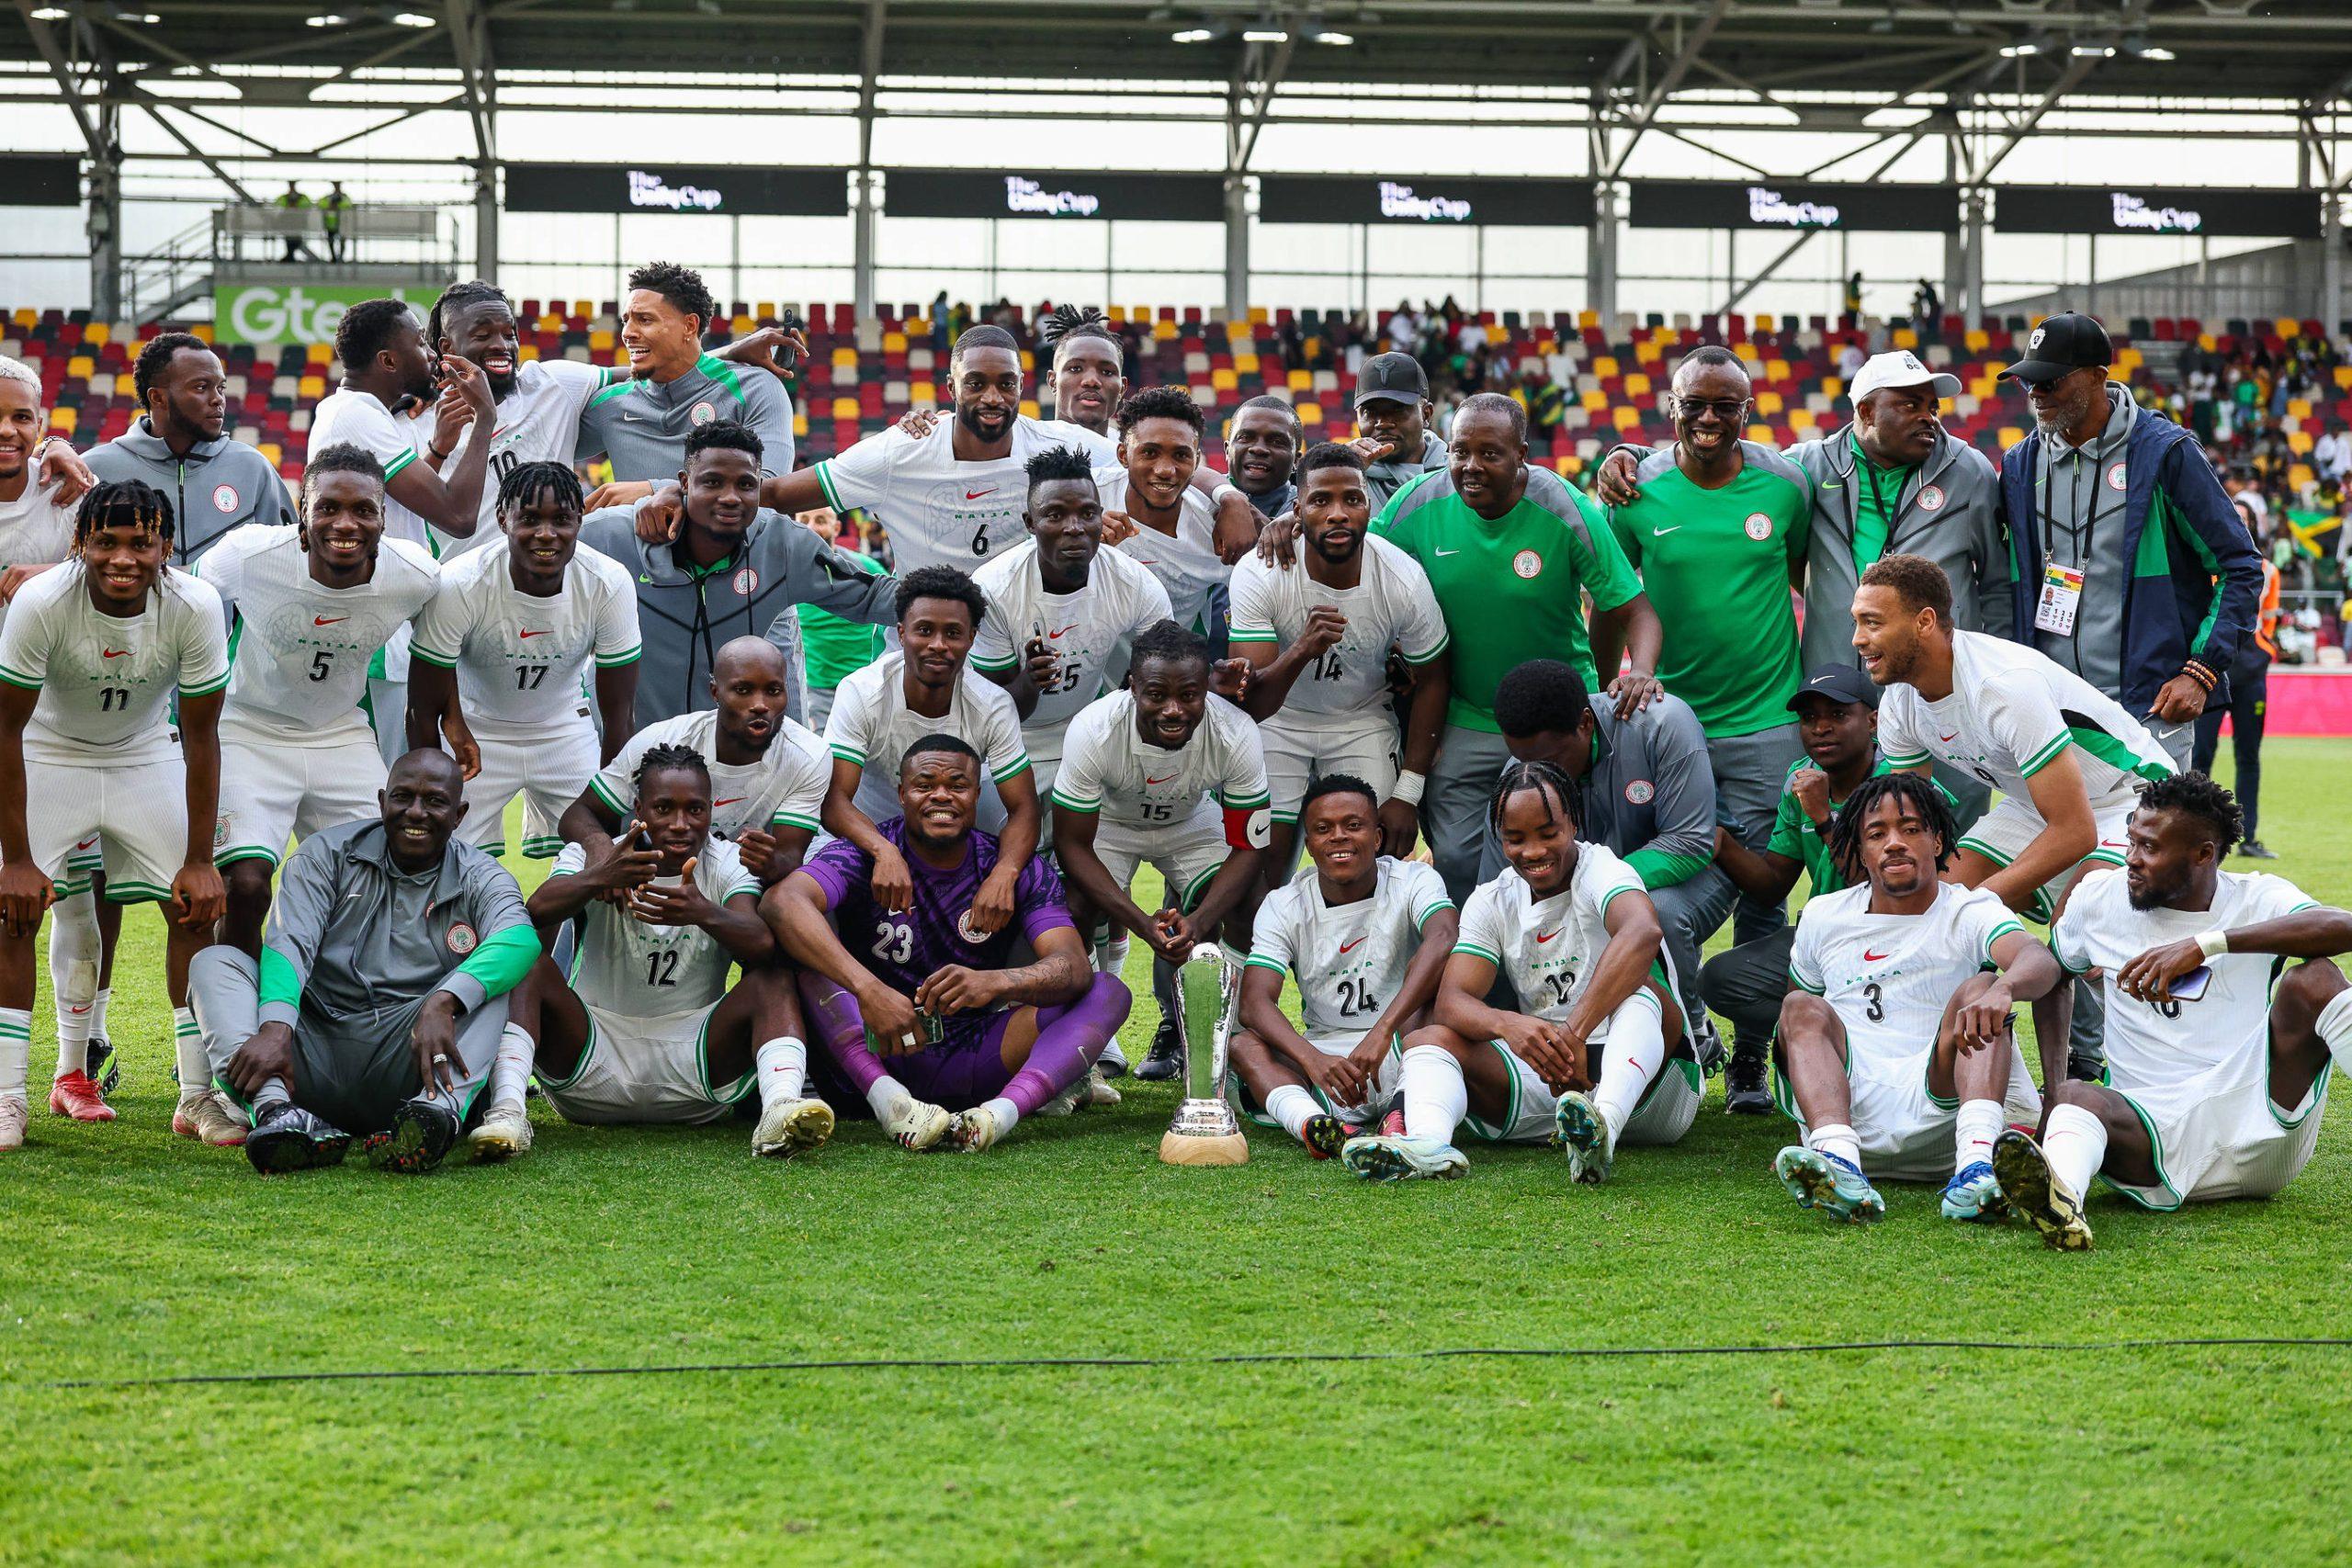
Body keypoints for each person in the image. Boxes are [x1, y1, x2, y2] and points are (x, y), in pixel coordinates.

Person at [1997, 773, 2352, 1250]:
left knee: (2316, 979)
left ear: (2204, 854)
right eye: (2132, 840)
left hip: (2259, 1123)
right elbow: (2057, 972)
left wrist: (2207, 945)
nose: (2130, 859)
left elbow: (2343, 927)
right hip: (2148, 1126)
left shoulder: (2255, 898)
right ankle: (2061, 1201)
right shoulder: (2099, 898)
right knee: (2078, 1097)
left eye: (2149, 847)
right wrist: (2054, 1092)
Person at [0, 480, 232, 1150]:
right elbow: (5, 729)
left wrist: (200, 858)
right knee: (9, 909)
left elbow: (203, 736)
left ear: (166, 547)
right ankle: (8, 1097)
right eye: (106, 541)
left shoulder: (195, 604)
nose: (124, 557)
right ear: (79, 544)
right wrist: (15, 860)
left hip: (141, 753)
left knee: (193, 907)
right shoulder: (42, 601)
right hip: (49, 749)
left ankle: (198, 1095)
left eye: (142, 542)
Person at [767, 734, 1131, 1153]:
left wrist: (997, 983)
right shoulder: (863, 855)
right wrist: (869, 990)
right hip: (875, 1046)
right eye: (924, 785)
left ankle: (997, 1116)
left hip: (978, 1052)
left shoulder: (1009, 869)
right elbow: (782, 902)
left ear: (977, 795)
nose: (941, 796)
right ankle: (891, 1104)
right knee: (805, 954)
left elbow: (1072, 965)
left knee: (1108, 991)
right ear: (902, 794)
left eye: (957, 785)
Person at [1339, 761, 1700, 1183]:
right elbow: (1453, 1000)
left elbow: (1644, 931)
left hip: (1653, 1089)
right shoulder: (1492, 900)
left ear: (1574, 823)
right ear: (1500, 838)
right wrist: (1510, 1025)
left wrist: (1574, 1033)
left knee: (1641, 993)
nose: (1533, 851)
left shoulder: (1603, 869)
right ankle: (1427, 1145)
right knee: (1429, 1037)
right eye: (1516, 839)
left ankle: (1605, 1127)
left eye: (1548, 834)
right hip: (1556, 1085)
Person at [1369, 391, 1660, 904]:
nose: (1471, 466)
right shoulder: (1417, 503)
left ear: (1522, 453)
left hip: (1555, 724)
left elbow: (1635, 610)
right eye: (1460, 452)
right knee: (1458, 863)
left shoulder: (1564, 507)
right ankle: (1478, 980)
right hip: (1464, 714)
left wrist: (1642, 670)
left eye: (1490, 453)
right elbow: (1358, 566)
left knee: (1557, 861)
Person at [193, 750, 538, 1174]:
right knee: (215, 962)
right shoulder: (324, 854)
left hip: (410, 1060)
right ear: (381, 801)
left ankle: (432, 1119)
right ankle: (278, 1116)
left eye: (434, 801)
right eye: (403, 797)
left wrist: (445, 999)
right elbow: (289, 946)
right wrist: (276, 1027)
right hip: (308, 1048)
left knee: (489, 984)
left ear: (459, 814)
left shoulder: (481, 874)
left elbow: (520, 938)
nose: (416, 812)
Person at [1770, 773, 2069, 1224]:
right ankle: (1839, 1163)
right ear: (1859, 849)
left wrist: (2004, 988)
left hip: (1944, 1115)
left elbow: (2039, 961)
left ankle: (1976, 1168)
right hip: (1848, 1111)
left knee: (1982, 987)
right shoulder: (1823, 916)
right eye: (1877, 834)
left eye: (1910, 829)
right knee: (1798, 1006)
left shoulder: (1969, 908)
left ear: (1937, 841)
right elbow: (1795, 1030)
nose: (1894, 843)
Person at [503, 743, 816, 1158]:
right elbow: (537, 911)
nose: (680, 824)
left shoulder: (725, 862)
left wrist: (703, 912)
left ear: (711, 810)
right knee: (528, 967)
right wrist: (599, 877)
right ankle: (505, 1111)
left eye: (696, 810)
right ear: (639, 810)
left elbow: (761, 946)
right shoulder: (596, 855)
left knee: (773, 978)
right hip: (590, 1061)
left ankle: (779, 1111)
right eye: (664, 808)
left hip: (696, 1068)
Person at [1605, 346, 1813, 971]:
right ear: (1671, 406)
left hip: (1769, 720)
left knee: (1765, 891)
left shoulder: (1785, 486)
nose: (1709, 418)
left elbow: (1802, 574)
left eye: (1727, 406)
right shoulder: (1636, 493)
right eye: (1693, 404)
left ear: (1747, 411)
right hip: (1668, 719)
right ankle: (1682, 1023)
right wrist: (1600, 680)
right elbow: (1614, 601)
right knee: (1661, 876)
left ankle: (1749, 1042)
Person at [198, 446, 443, 958]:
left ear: (383, 518)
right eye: (327, 508)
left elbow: (439, 650)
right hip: (250, 730)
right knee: (245, 886)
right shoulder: (246, 556)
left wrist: (451, 724)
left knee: (380, 878)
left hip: (339, 732)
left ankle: (332, 1011)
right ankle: (238, 1020)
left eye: (363, 510)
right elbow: (183, 602)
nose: (345, 523)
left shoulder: (416, 575)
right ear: (302, 517)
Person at [1998, 311, 2264, 770]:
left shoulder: (2165, 454)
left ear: (2098, 378)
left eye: (2051, 382)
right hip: (2050, 720)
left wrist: (2200, 672)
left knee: (2149, 842)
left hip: (2147, 715)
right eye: (2029, 384)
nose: (2037, 395)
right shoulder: (2021, 465)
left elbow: (2240, 567)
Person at [1853, 554, 2173, 925]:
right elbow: (1904, 817)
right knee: (1928, 906)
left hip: (2133, 794)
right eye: (1857, 622)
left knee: (2074, 929)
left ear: (1925, 621)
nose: (1858, 639)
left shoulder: (2002, 686)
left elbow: (2075, 831)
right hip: (2034, 805)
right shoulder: (1899, 699)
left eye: (1872, 623)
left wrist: (1964, 911)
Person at [1701, 663, 1951, 1111]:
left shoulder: (1903, 777)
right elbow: (1772, 883)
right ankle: (1829, 1038)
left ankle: (1849, 1045)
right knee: (1721, 981)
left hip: (1905, 938)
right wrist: (1722, 843)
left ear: (1872, 721)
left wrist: (1823, 818)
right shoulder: (1800, 778)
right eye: (1809, 718)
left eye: (1837, 715)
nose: (1820, 728)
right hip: (1828, 939)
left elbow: (1887, 888)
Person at [1489, 659, 1728, 1079]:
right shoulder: (1521, 772)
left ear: (1585, 724)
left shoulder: (1663, 722)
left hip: (1691, 876)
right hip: (1577, 887)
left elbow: (1693, 842)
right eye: (1522, 759)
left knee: (1654, 913)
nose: (1537, 774)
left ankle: (1692, 1035)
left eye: (1549, 759)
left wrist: (1592, 884)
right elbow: (1498, 887)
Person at [1227, 443, 1450, 889]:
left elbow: (1434, 680)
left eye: (1352, 499)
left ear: (1369, 505)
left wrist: (1408, 793)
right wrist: (1302, 649)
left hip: (1361, 718)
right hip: (1279, 722)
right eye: (1320, 500)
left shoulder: (1402, 577)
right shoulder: (1261, 571)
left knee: (1376, 866)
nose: (1337, 513)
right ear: (1297, 509)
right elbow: (1252, 703)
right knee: (1257, 873)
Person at [579, 422, 896, 728]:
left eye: (745, 484)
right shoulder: (611, 534)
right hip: (619, 749)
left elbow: (871, 595)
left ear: (759, 486)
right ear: (684, 483)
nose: (730, 497)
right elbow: (541, 553)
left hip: (725, 755)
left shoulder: (782, 546)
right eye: (713, 482)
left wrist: (940, 594)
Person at [406, 460, 639, 863]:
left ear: (581, 520)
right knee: (449, 860)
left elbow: (619, 712)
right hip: (477, 733)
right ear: (502, 519)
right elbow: (421, 709)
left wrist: (613, 806)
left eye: (562, 519)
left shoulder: (609, 582)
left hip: (563, 728)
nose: (546, 534)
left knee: (596, 854)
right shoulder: (461, 583)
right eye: (529, 519)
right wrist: (430, 792)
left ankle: (545, 928)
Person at [0, 356, 121, 1101]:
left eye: (22, 417)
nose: (8, 432)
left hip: (46, 732)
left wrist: (74, 470)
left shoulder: (66, 494)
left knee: (67, 899)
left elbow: (127, 552)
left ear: (44, 423)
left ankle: (70, 1071)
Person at [1233, 775, 1458, 1158]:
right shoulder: (1284, 904)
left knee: (1435, 1008)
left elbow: (1444, 937)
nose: (1338, 837)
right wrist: (1311, 1058)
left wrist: (1383, 1029)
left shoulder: (1414, 879)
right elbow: (1254, 1002)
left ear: (1376, 838)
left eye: (1353, 825)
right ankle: (1316, 1125)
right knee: (1244, 1045)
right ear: (1308, 845)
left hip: (1405, 1042)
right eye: (1323, 829)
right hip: (1327, 1056)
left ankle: (1400, 1111)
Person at [1049, 620, 1270, 995]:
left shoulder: (1236, 732)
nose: (1173, 710)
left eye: (1188, 695)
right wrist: (1140, 923)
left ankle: (1223, 1029)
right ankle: (1088, 1022)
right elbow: (1072, 845)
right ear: (1133, 687)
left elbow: (1249, 847)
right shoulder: (1094, 729)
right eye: (1156, 695)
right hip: (1112, 822)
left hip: (1189, 822)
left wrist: (1200, 921)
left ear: (1206, 690)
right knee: (1072, 905)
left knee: (1253, 901)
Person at [970, 446, 1171, 820]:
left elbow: (1169, 676)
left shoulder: (1133, 581)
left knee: (1092, 858)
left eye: (1087, 513)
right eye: (1055, 515)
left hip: (1088, 735)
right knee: (1004, 858)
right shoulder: (993, 588)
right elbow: (992, 712)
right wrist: (1031, 681)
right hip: (1008, 745)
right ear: (1030, 524)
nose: (1075, 527)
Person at [822, 563, 1038, 886]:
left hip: (955, 835)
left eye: (952, 633)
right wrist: (885, 851)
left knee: (1031, 883)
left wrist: (1004, 875)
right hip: (869, 832)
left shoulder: (992, 705)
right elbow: (834, 800)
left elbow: (1023, 808)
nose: (938, 644)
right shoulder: (862, 692)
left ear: (971, 639)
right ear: (901, 633)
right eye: (924, 630)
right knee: (803, 893)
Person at [559, 637, 830, 890]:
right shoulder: (663, 740)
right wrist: (600, 850)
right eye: (743, 690)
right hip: (652, 877)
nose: (760, 704)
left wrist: (770, 863)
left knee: (791, 900)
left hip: (740, 886)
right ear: (715, 692)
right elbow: (579, 813)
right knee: (573, 877)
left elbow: (789, 857)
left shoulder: (808, 755)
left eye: (773, 690)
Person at [578, 262, 796, 505]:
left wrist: (656, 491)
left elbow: (771, 488)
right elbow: (535, 443)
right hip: (629, 544)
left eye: (645, 320)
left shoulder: (754, 388)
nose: (627, 332)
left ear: (690, 325)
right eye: (626, 320)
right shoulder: (610, 404)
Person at [85, 332, 298, 564]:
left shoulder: (253, 467)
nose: (218, 399)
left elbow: (287, 562)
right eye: (201, 387)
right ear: (157, 398)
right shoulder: (94, 469)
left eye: (221, 388)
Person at [308, 297, 496, 556]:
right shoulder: (356, 416)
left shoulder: (359, 411)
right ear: (388, 362)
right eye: (420, 343)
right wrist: (485, 416)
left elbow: (402, 503)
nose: (432, 354)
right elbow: (459, 518)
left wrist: (439, 448)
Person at [1097, 387, 1231, 642]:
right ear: (1124, 456)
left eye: (1181, 455)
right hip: (1090, 677)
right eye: (1149, 452)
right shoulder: (1087, 499)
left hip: (1169, 675)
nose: (1165, 470)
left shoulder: (1216, 528)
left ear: (1196, 461)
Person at [2190, 553, 2280, 860]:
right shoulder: (2201, 563)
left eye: (2245, 519)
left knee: (2248, 757)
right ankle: (2193, 834)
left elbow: (2270, 616)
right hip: (2211, 672)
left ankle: (2249, 838)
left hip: (2252, 674)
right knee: (2200, 755)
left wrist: (2264, 647)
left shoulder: (2269, 570)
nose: (2240, 523)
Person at [793, 511, 887, 733]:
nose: (812, 527)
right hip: (817, 689)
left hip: (865, 684)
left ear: (836, 528)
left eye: (821, 520)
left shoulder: (866, 568)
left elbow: (893, 622)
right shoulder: (787, 573)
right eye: (804, 521)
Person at [1350, 352, 1448, 507]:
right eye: (1370, 412)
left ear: (1426, 415)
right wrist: (1344, 472)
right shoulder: (1344, 478)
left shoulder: (1456, 476)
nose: (1382, 423)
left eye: (1398, 410)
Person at [1036, 305, 1126, 435]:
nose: (1091, 381)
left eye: (1107, 372)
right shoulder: (1023, 445)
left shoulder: (1130, 453)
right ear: (1052, 381)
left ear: (1122, 389)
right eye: (1075, 368)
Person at [1223, 395, 1304, 518]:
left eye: (1277, 441)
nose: (1258, 449)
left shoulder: (1310, 511)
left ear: (1296, 460)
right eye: (1245, 438)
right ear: (1227, 450)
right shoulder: (1196, 499)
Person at [274, 182, 310, 262]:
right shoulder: (284, 197)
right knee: (288, 239)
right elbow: (277, 205)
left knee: (297, 240)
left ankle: (290, 256)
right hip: (288, 222)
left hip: (298, 222)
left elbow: (307, 206)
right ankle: (290, 256)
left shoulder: (302, 197)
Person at [321, 180, 351, 264]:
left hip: (342, 223)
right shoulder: (328, 197)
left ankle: (340, 257)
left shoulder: (344, 197)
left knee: (342, 241)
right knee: (331, 241)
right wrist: (330, 205)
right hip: (331, 224)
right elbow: (321, 204)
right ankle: (333, 257)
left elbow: (348, 205)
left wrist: (336, 205)